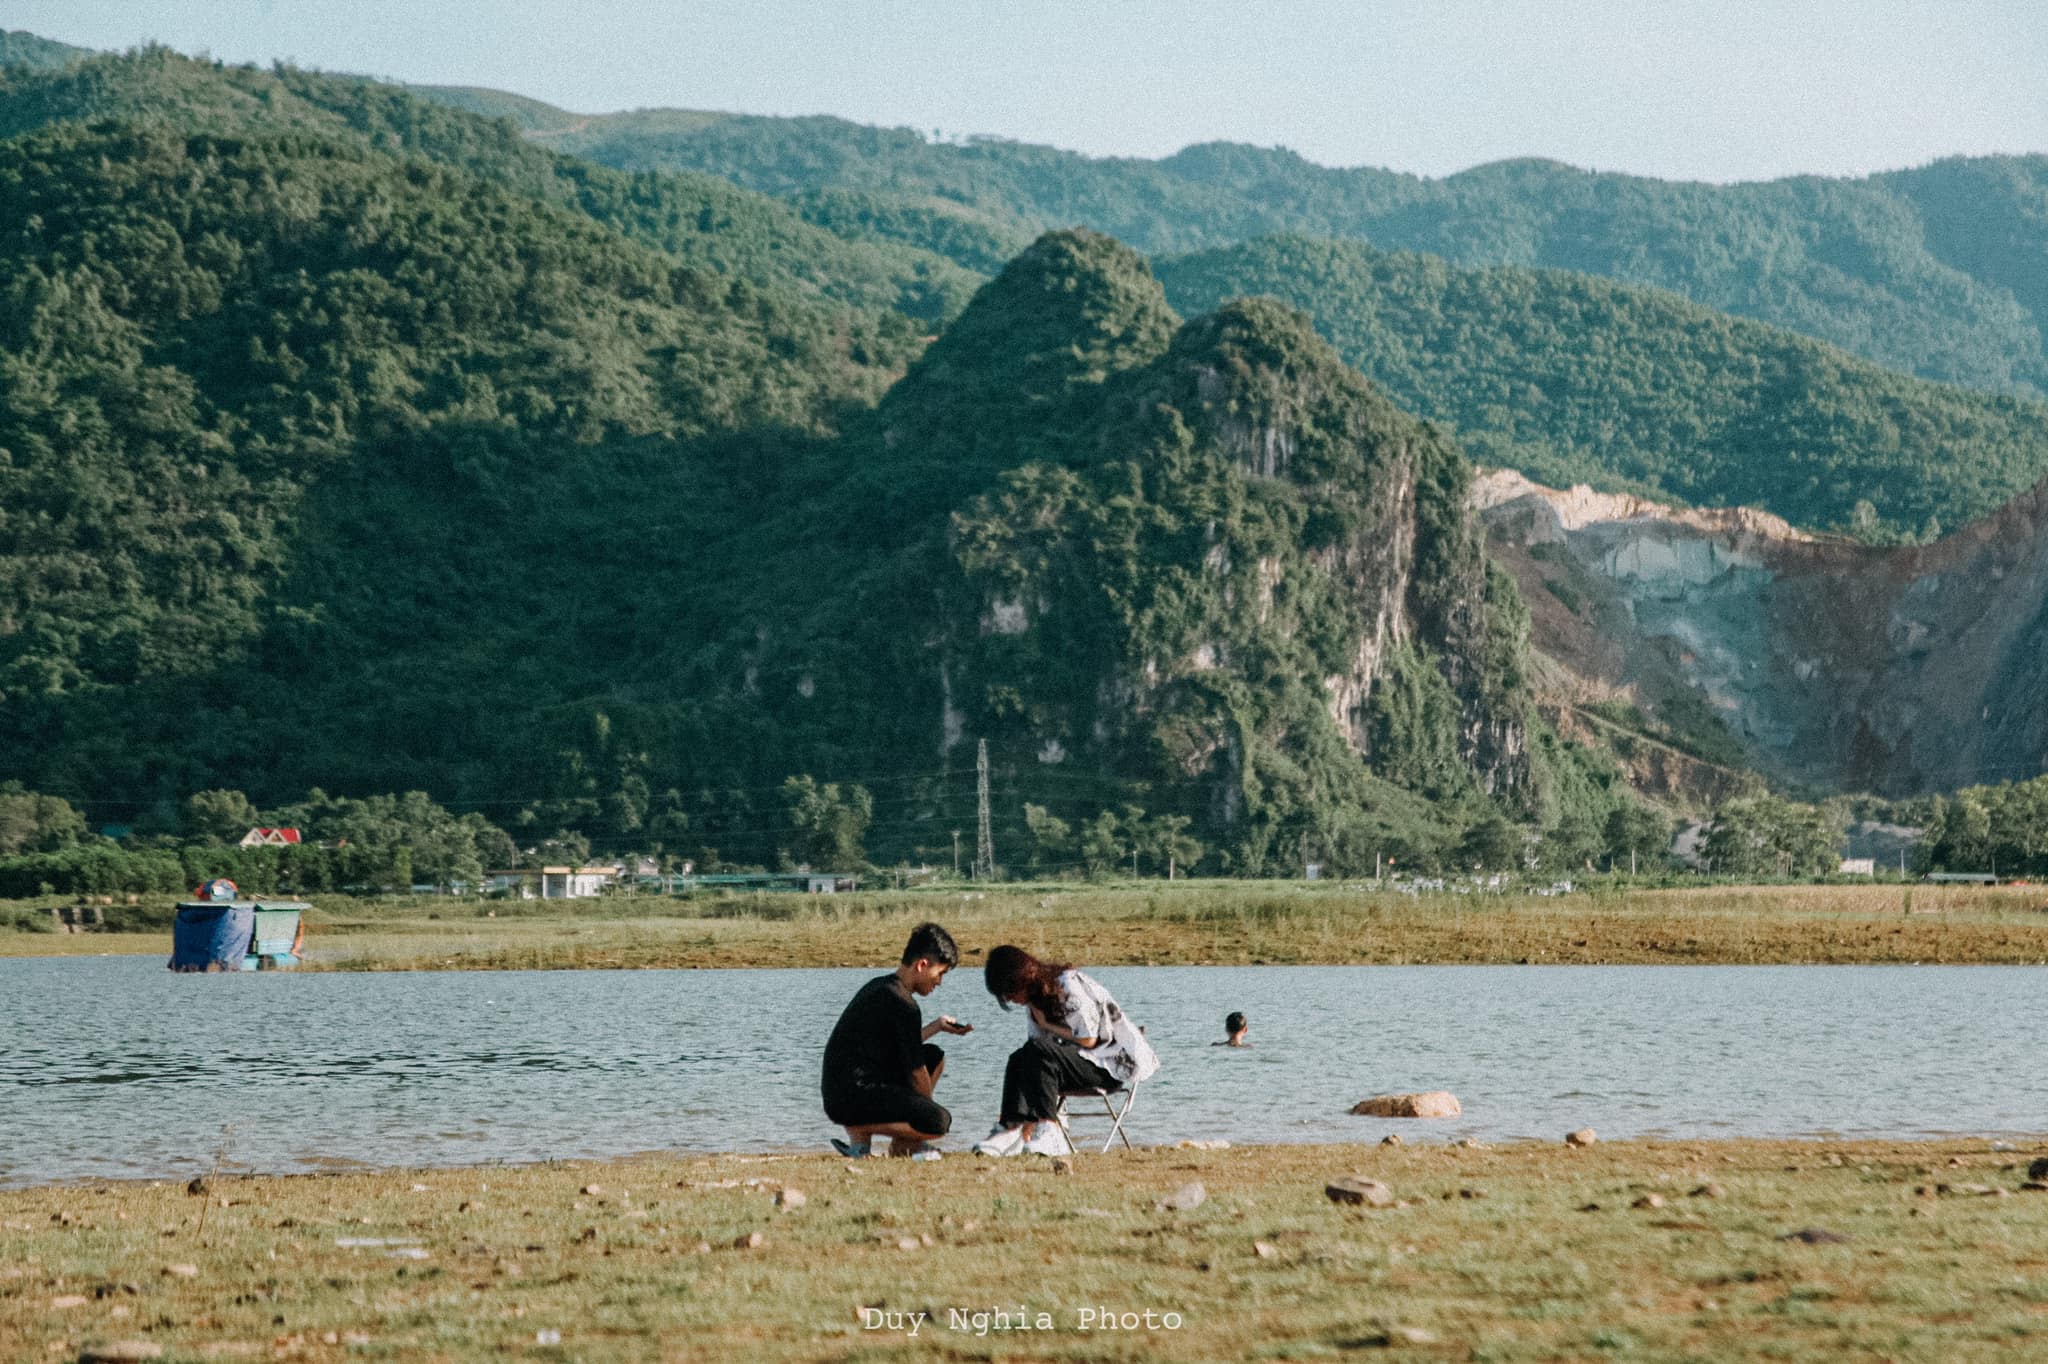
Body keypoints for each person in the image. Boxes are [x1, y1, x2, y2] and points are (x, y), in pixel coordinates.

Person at [971, 944, 1158, 1157]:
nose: (1010, 999)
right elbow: (1035, 1061)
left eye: (1011, 992)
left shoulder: (1067, 986)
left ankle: (1051, 1130)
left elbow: (1089, 1039)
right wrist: (1027, 1127)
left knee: (1035, 1051)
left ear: (1024, 978)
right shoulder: (1034, 1003)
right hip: (1077, 1064)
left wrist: (1047, 1025)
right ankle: (1010, 1129)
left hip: (1109, 1068)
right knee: (1019, 1058)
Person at [820, 922, 972, 1158]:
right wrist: (924, 1113)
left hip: (843, 1094)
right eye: (940, 973)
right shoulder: (903, 1004)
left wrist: (936, 1026)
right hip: (850, 1099)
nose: (939, 982)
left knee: (933, 1055)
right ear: (922, 965)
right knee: (938, 1121)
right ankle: (862, 1131)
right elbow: (915, 1072)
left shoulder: (883, 987)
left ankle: (899, 1145)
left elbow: (899, 1044)